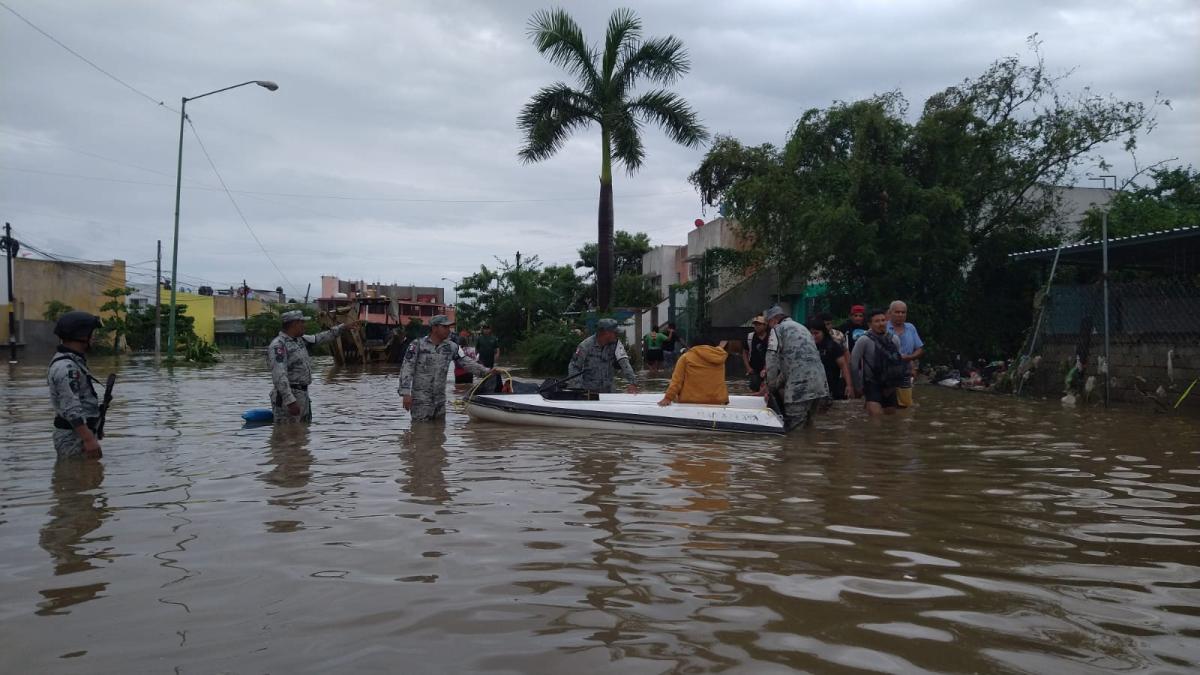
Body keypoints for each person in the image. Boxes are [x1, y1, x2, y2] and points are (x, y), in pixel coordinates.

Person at [268, 310, 358, 423]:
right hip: (289, 397)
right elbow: (279, 375)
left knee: (301, 434)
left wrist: (342, 328)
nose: (304, 326)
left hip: (302, 395)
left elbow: (321, 337)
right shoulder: (278, 345)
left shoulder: (300, 340)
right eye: (302, 323)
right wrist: (290, 401)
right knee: (286, 435)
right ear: (294, 324)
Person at [399, 315, 492, 421]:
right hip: (421, 402)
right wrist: (405, 393)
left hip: (440, 402)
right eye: (445, 327)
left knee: (439, 433)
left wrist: (487, 372)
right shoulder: (417, 345)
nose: (448, 330)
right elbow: (406, 369)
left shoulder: (451, 347)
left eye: (449, 327)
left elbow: (466, 362)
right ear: (434, 328)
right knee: (420, 432)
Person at [47, 311, 105, 459]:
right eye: (92, 333)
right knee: (74, 479)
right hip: (74, 438)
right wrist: (88, 438)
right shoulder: (66, 367)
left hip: (79, 434)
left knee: (87, 478)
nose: (94, 337)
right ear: (82, 336)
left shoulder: (74, 361)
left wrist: (94, 429)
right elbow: (70, 407)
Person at [763, 305, 829, 431]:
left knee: (795, 432)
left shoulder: (777, 330)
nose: (769, 326)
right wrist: (775, 385)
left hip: (800, 388)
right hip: (820, 385)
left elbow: (771, 359)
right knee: (809, 427)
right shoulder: (802, 328)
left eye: (768, 323)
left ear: (774, 320)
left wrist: (770, 386)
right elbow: (795, 364)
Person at [850, 308, 905, 416]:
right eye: (877, 321)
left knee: (890, 420)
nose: (881, 323)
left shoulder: (894, 339)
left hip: (890, 385)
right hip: (871, 383)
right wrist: (857, 387)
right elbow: (853, 364)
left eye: (883, 320)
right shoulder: (864, 340)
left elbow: (899, 361)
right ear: (870, 324)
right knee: (876, 419)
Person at [567, 318, 639, 394]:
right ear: (606, 333)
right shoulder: (585, 346)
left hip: (609, 391)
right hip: (589, 391)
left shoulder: (616, 344)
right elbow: (574, 367)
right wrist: (577, 390)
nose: (617, 334)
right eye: (615, 332)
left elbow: (624, 363)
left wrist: (632, 383)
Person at [658, 334, 729, 406]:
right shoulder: (719, 358)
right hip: (717, 400)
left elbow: (677, 381)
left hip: (691, 400)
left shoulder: (686, 357)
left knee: (675, 397)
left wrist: (668, 398)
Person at [887, 300, 925, 408]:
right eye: (897, 312)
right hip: (886, 372)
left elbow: (920, 348)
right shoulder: (883, 327)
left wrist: (909, 357)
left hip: (905, 371)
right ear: (890, 313)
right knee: (887, 405)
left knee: (905, 405)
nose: (900, 315)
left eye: (903, 312)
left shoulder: (911, 328)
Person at [808, 319, 853, 400]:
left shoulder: (832, 346)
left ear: (823, 332)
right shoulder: (806, 347)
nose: (813, 336)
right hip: (811, 387)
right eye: (811, 333)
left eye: (816, 333)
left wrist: (849, 385)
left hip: (831, 386)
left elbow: (843, 366)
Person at [742, 315, 769, 392]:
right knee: (754, 386)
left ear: (765, 325)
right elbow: (744, 352)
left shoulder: (771, 337)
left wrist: (766, 368)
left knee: (770, 388)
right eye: (755, 324)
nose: (756, 326)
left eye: (759, 324)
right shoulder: (750, 337)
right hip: (754, 369)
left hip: (769, 369)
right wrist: (748, 368)